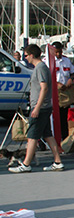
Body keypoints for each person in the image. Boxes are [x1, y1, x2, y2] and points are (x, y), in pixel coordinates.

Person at [9, 44, 64, 173]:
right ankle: (57, 162)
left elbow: (44, 88)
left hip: (41, 107)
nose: (25, 58)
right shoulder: (40, 68)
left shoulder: (40, 68)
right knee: (48, 135)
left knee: (32, 135)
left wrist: (37, 108)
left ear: (32, 55)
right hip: (43, 106)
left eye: (26, 55)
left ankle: (26, 164)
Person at [43, 41, 74, 140]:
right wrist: (57, 84)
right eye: (56, 52)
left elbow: (72, 73)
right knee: (51, 117)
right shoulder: (46, 61)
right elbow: (46, 77)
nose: (58, 54)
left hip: (65, 91)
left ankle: (64, 137)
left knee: (63, 116)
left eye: (60, 52)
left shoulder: (66, 60)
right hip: (53, 92)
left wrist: (70, 80)